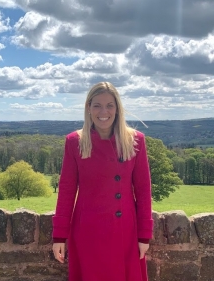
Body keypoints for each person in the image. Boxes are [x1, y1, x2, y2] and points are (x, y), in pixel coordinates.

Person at [52, 82, 153, 281]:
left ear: (117, 109)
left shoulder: (136, 140)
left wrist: (144, 236)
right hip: (88, 231)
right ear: (88, 108)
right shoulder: (75, 142)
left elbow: (143, 190)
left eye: (109, 105)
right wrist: (59, 236)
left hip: (125, 231)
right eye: (97, 105)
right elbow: (66, 190)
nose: (103, 111)